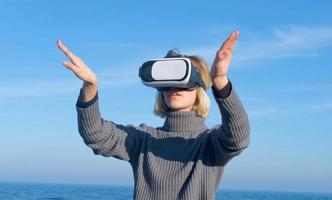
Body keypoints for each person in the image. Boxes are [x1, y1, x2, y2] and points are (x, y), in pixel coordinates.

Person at [57, 31, 250, 200]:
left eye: (183, 82)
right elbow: (95, 135)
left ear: (199, 89)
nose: (175, 89)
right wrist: (91, 87)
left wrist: (220, 82)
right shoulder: (143, 139)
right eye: (168, 83)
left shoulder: (209, 143)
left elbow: (238, 138)